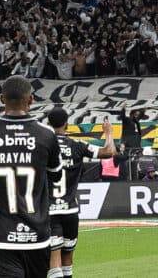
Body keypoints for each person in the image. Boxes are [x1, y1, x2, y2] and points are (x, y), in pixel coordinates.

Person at [0, 75, 61, 278]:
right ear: (31, 99)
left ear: (1, 99)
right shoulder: (46, 134)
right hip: (36, 233)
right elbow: (56, 175)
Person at [46, 107, 115, 278]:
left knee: (54, 258)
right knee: (67, 257)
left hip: (49, 210)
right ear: (67, 125)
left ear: (48, 124)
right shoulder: (77, 146)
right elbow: (109, 152)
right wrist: (109, 133)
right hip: (70, 211)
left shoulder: (43, 146)